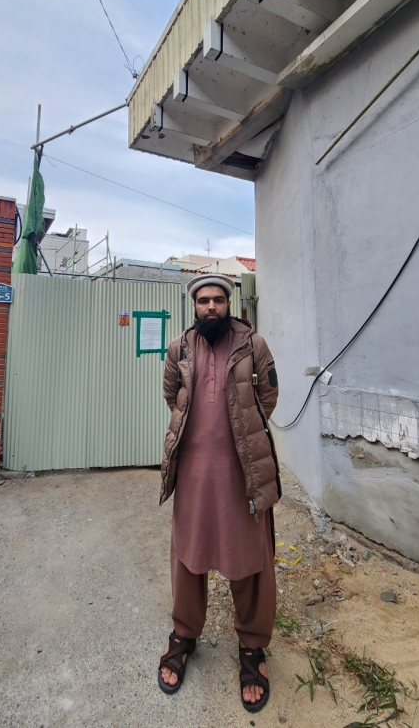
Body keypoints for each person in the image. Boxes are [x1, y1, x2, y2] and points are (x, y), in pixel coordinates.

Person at [157, 274, 280, 713]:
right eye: (204, 300)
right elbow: (173, 395)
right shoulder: (179, 348)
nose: (212, 307)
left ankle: (251, 647)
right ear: (194, 306)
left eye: (219, 300)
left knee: (247, 557)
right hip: (193, 472)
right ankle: (184, 634)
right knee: (189, 554)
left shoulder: (254, 345)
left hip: (242, 471)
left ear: (230, 304)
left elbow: (268, 395)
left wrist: (239, 437)